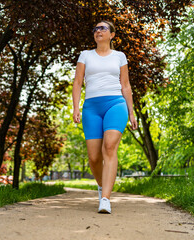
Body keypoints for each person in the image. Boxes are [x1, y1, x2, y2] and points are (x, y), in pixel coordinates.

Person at [72, 20, 138, 214]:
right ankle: (102, 186)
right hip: (92, 107)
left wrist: (131, 112)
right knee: (93, 157)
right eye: (95, 29)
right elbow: (77, 83)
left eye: (103, 28)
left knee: (109, 146)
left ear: (112, 35)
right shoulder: (86, 55)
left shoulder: (120, 56)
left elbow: (125, 86)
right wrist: (76, 107)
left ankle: (106, 199)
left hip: (115, 104)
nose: (98, 31)